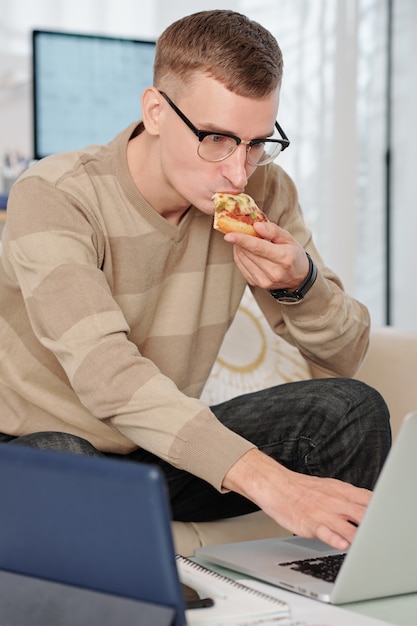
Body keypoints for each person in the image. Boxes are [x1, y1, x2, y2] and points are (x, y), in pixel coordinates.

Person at [0, 10, 390, 551]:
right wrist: (275, 485)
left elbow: (347, 354)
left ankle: (329, 592)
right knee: (64, 459)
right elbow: (107, 378)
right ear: (156, 111)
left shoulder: (266, 191)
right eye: (217, 138)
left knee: (350, 408)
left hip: (162, 450)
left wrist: (301, 283)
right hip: (42, 448)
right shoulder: (55, 195)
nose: (239, 171)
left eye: (257, 142)